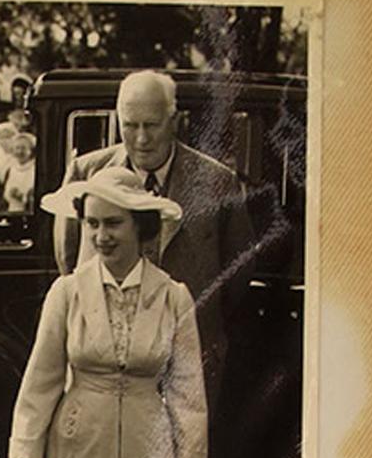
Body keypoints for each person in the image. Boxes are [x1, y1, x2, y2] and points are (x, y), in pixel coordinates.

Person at [9, 166, 208, 458]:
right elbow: (40, 381)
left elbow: (187, 393)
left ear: (141, 227)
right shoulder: (68, 293)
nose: (101, 235)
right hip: (77, 447)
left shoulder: (173, 297)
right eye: (92, 223)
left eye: (113, 223)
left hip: (147, 448)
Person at [55, 69, 254, 416]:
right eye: (130, 126)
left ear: (173, 120)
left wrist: (198, 320)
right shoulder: (86, 173)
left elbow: (238, 271)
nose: (142, 139)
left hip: (190, 359)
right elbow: (69, 258)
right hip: (106, 364)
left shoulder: (218, 182)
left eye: (152, 125)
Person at [3, 132, 36, 214]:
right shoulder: (11, 168)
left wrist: (22, 197)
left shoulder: (34, 169)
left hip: (29, 212)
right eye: (17, 148)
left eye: (23, 148)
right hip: (12, 210)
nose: (20, 152)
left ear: (30, 151)